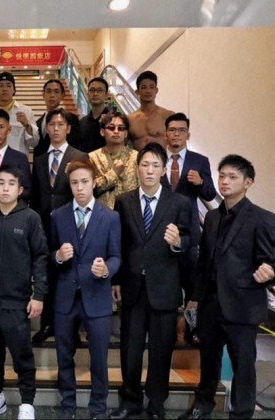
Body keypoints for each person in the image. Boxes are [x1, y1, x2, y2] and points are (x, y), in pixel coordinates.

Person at [178, 155, 275, 420]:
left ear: (248, 182)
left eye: (233, 177)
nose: (225, 181)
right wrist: (195, 298)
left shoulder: (262, 218)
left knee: (243, 365)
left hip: (242, 306)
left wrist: (270, 271)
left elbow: (270, 260)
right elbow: (203, 263)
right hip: (211, 304)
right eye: (221, 176)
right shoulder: (211, 217)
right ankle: (202, 406)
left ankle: (241, 414)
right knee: (208, 361)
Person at [110, 142, 192, 419]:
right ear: (137, 168)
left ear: (164, 170)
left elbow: (191, 241)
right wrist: (116, 279)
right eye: (145, 164)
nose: (149, 170)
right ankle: (129, 402)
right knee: (130, 349)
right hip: (132, 288)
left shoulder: (179, 203)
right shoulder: (124, 201)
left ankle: (156, 404)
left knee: (161, 350)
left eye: (155, 165)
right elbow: (119, 244)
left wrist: (178, 241)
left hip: (165, 288)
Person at [0, 165, 48, 420]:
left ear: (20, 189)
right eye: (1, 183)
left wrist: (39, 294)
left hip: (17, 302)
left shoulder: (30, 218)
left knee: (22, 356)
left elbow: (40, 257)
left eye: (11, 183)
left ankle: (27, 403)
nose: (5, 188)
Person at [51, 159, 121, 419]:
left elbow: (117, 256)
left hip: (97, 295)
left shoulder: (110, 217)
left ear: (94, 183)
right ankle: (67, 405)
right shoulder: (58, 216)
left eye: (84, 182)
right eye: (74, 183)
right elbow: (49, 254)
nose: (79, 188)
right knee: (64, 355)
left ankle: (98, 408)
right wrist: (58, 256)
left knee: (99, 358)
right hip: (65, 297)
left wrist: (107, 269)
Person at [31, 108, 87, 343]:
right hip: (44, 226)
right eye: (52, 124)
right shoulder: (39, 159)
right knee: (48, 274)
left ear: (68, 128)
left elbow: (84, 193)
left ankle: (72, 327)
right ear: (46, 128)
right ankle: (47, 324)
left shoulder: (80, 156)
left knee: (71, 276)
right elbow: (36, 195)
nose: (56, 128)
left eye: (60, 124)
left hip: (71, 224)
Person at [160, 112, 216, 323]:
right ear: (166, 134)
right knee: (163, 283)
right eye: (173, 130)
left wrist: (201, 182)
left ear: (188, 134)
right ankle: (165, 329)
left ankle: (192, 329)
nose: (177, 134)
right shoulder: (156, 159)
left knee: (192, 282)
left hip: (189, 232)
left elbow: (210, 194)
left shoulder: (199, 161)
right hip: (160, 229)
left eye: (181, 130)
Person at [0, 71, 39, 155]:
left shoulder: (26, 111)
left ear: (14, 90)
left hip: (17, 161)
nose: (4, 89)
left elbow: (34, 143)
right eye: (1, 85)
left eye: (8, 85)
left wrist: (27, 125)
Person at [89, 111, 138, 210]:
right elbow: (90, 189)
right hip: (102, 212)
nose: (116, 131)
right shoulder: (93, 157)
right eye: (111, 128)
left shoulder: (136, 157)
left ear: (126, 133)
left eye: (121, 128)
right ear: (102, 132)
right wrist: (114, 173)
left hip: (130, 212)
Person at [127, 70, 174, 151]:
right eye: (144, 87)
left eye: (152, 87)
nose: (148, 91)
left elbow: (178, 142)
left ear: (156, 90)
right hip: (139, 158)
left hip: (162, 158)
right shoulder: (130, 119)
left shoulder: (168, 116)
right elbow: (122, 145)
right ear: (137, 92)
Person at [33, 79, 80, 157]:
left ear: (63, 95)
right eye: (48, 91)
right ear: (43, 95)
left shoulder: (72, 119)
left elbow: (75, 145)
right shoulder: (38, 123)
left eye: (56, 92)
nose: (52, 95)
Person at [78, 77, 110, 153]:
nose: (95, 94)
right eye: (92, 90)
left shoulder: (114, 120)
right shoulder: (82, 122)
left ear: (106, 95)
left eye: (99, 90)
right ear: (87, 94)